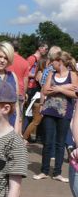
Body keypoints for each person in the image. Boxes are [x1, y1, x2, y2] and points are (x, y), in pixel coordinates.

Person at [33, 51, 78, 182]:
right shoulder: (51, 74)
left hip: (64, 112)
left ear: (60, 62)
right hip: (49, 111)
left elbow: (75, 94)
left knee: (60, 143)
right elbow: (45, 90)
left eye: (53, 61)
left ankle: (57, 172)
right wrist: (65, 87)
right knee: (47, 142)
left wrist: (59, 89)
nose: (51, 63)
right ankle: (44, 171)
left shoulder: (73, 74)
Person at [0, 42, 21, 133]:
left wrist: (17, 127)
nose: (2, 60)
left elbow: (16, 105)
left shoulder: (12, 76)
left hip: (10, 125)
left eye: (6, 58)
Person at [22, 58, 48, 143]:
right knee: (35, 121)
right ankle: (24, 138)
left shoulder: (41, 72)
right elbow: (43, 85)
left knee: (36, 121)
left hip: (38, 97)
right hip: (38, 98)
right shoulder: (41, 73)